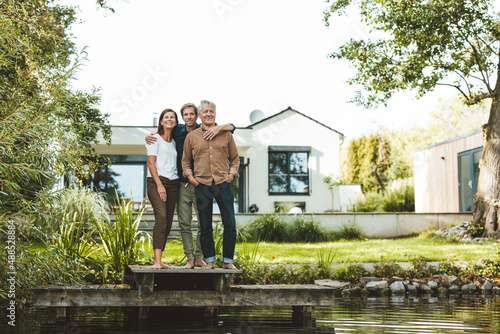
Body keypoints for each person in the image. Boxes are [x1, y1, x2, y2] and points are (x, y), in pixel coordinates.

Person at [146, 103, 235, 269]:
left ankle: (202, 258)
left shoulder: (206, 129)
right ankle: (190, 259)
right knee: (184, 224)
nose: (189, 117)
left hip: (203, 184)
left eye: (192, 114)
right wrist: (149, 137)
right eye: (185, 115)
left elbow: (231, 127)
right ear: (183, 117)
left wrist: (220, 127)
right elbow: (162, 137)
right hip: (181, 184)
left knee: (203, 223)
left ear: (197, 116)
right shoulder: (178, 131)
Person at [182, 100, 240, 270]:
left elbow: (235, 159)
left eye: (211, 111)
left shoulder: (226, 135)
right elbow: (185, 161)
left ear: (215, 114)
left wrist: (231, 175)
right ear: (199, 115)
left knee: (230, 223)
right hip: (202, 184)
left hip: (223, 183)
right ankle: (210, 261)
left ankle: (228, 261)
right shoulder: (191, 137)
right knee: (205, 225)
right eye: (205, 111)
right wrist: (191, 178)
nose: (208, 114)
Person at [145, 108, 180, 269]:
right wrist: (159, 185)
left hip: (174, 183)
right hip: (157, 182)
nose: (169, 119)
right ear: (161, 121)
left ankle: (160, 260)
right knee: (162, 217)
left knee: (168, 221)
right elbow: (151, 163)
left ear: (176, 121)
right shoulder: (154, 138)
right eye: (166, 117)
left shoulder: (175, 141)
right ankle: (156, 261)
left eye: (172, 117)